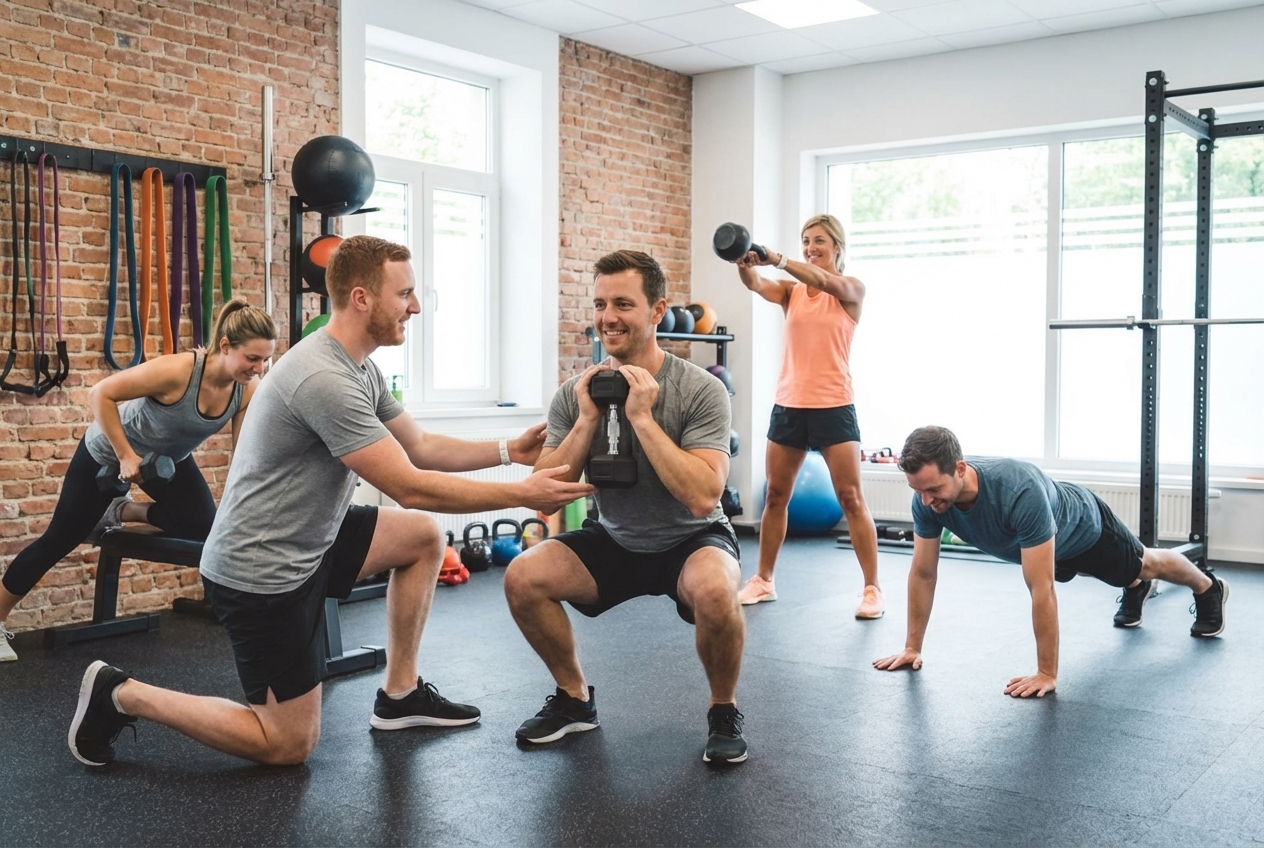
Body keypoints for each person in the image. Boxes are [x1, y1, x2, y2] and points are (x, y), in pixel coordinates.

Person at [67, 235, 593, 767]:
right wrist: (523, 493)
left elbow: (421, 446)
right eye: (405, 294)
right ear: (362, 298)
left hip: (310, 539)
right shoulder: (324, 378)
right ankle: (120, 692)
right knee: (287, 744)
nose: (414, 307)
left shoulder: (360, 367)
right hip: (261, 570)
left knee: (421, 536)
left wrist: (509, 450)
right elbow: (408, 483)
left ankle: (400, 695)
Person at [503, 249, 748, 766]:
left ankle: (723, 711)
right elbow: (547, 488)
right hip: (613, 536)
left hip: (691, 536)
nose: (607, 316)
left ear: (658, 311)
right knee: (523, 577)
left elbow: (705, 495)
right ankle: (573, 700)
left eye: (622, 303)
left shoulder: (701, 390)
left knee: (715, 589)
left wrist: (642, 418)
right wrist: (589, 418)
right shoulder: (576, 394)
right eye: (599, 304)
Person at [0, 299, 276, 663]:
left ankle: (122, 509)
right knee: (60, 539)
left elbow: (242, 454)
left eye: (264, 360)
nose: (258, 368)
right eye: (252, 358)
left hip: (166, 460)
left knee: (204, 525)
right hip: (107, 451)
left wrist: (245, 501)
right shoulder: (179, 371)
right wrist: (125, 454)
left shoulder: (246, 390)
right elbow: (100, 394)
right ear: (225, 346)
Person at [873, 426, 1229, 698]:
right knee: (1105, 574)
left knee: (1144, 563)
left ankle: (1207, 586)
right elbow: (923, 573)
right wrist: (911, 648)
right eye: (917, 490)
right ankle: (1136, 589)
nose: (925, 499)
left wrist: (1046, 673)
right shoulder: (926, 502)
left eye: (933, 489)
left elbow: (1040, 587)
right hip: (1051, 548)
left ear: (960, 468)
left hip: (1087, 529)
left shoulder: (1016, 489)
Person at [729, 214, 882, 618]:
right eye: (805, 241)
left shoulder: (851, 290)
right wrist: (746, 267)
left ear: (837, 247)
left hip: (834, 404)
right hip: (789, 404)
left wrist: (777, 258)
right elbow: (759, 285)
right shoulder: (792, 293)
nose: (811, 247)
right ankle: (763, 580)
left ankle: (872, 589)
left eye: (818, 241)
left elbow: (828, 282)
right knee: (776, 496)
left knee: (851, 498)